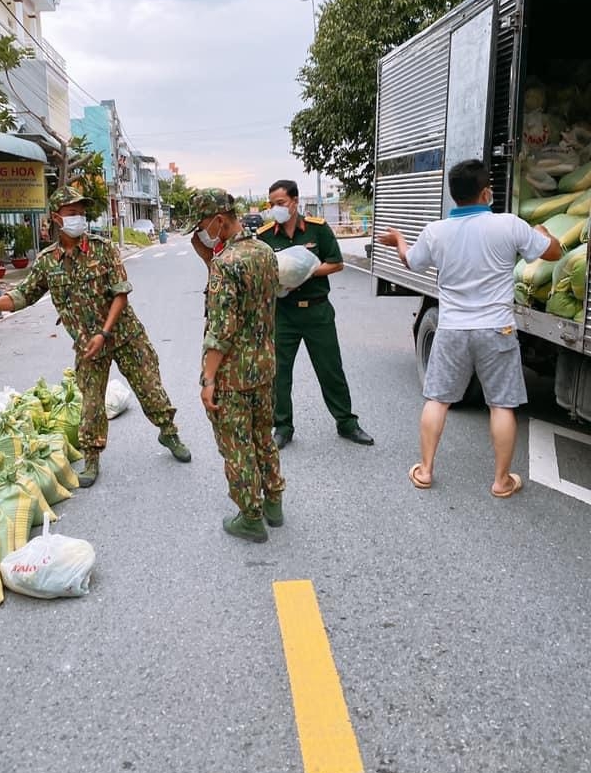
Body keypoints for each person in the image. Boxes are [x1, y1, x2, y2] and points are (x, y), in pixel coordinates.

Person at [0, 186, 191, 487]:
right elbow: (22, 296)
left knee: (150, 388)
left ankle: (169, 433)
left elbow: (120, 295)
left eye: (82, 213)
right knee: (92, 404)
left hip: (125, 335)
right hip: (88, 345)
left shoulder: (103, 248)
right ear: (57, 218)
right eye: (72, 213)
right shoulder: (47, 261)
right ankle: (92, 459)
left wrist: (104, 333)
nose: (79, 218)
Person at [378, 158, 562, 497]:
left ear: (454, 195)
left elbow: (411, 261)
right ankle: (501, 481)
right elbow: (552, 253)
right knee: (501, 405)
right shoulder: (508, 225)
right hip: (497, 329)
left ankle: (425, 470)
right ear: (486, 192)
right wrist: (544, 234)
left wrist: (400, 239)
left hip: (452, 329)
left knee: (437, 399)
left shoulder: (436, 232)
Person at [183, 189, 285, 543]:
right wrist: (208, 253)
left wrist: (208, 378)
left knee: (237, 445)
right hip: (263, 366)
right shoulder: (265, 252)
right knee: (263, 438)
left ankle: (250, 518)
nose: (201, 233)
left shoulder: (225, 265)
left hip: (233, 374)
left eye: (203, 226)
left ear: (220, 221)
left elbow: (221, 331)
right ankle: (273, 503)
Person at [256, 179, 373, 449]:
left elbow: (336, 263)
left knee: (330, 369)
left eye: (281, 203)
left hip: (317, 311)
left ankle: (346, 423)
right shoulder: (265, 236)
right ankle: (282, 426)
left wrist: (303, 272)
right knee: (279, 373)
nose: (276, 208)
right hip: (283, 314)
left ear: (295, 202)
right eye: (272, 204)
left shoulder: (318, 230)